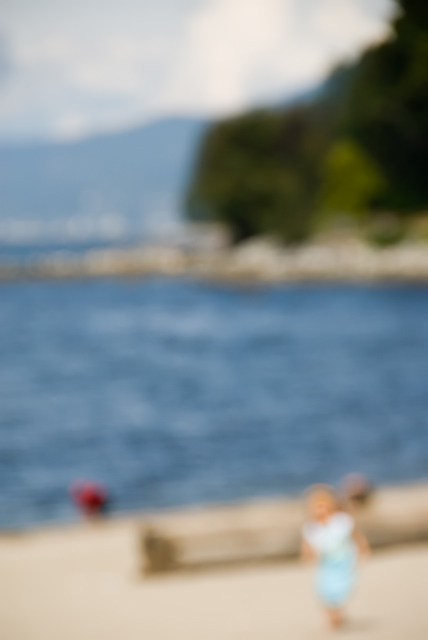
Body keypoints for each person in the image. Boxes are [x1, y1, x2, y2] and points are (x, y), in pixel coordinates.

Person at [301, 484, 370, 629]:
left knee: (343, 589)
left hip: (344, 561)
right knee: (324, 590)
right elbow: (307, 546)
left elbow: (355, 535)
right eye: (317, 506)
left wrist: (363, 548)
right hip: (326, 564)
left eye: (323, 505)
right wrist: (307, 557)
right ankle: (332, 616)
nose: (320, 509)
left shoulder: (341, 522)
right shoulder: (312, 528)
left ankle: (337, 613)